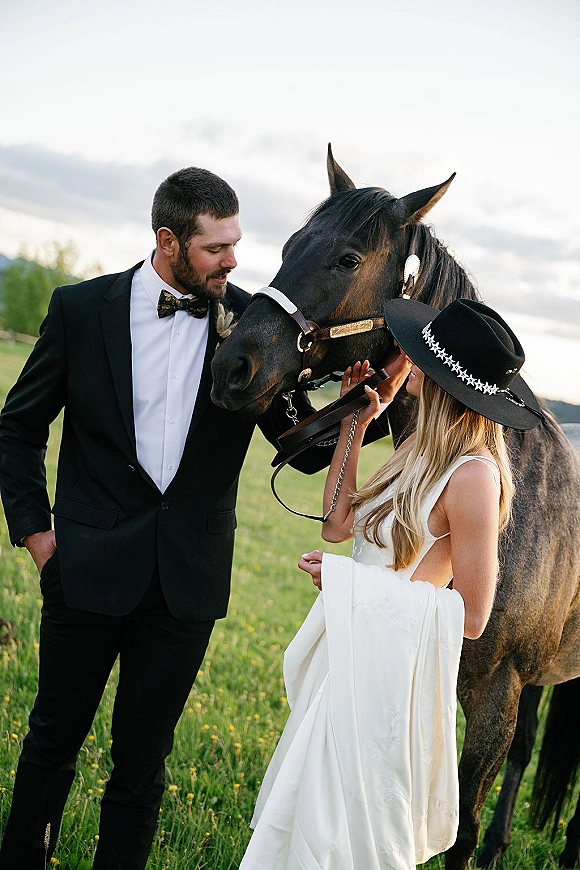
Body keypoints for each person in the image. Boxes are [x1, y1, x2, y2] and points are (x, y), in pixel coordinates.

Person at [0, 167, 384, 870]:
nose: (233, 261)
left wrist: (360, 411)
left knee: (142, 768)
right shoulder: (80, 310)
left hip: (186, 587)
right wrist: (38, 534)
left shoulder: (252, 327)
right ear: (169, 241)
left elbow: (299, 452)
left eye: (237, 244)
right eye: (216, 249)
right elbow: (17, 429)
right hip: (82, 569)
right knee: (51, 744)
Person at [239, 297, 543, 870]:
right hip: (350, 650)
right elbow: (337, 523)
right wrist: (356, 419)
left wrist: (354, 588)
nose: (405, 361)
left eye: (419, 355)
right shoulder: (417, 449)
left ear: (439, 376)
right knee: (308, 812)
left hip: (386, 674)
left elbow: (473, 615)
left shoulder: (474, 476)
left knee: (345, 829)